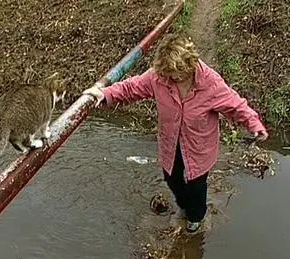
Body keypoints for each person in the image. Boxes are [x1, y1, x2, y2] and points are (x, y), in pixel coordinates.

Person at [82, 34, 268, 233]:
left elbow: (235, 105)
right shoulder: (159, 77)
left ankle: (196, 218)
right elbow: (132, 87)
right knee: (172, 178)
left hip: (199, 147)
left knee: (196, 186)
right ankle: (183, 206)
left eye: (175, 74)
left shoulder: (210, 83)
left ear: (189, 65)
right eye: (168, 73)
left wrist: (254, 124)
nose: (171, 78)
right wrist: (106, 93)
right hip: (171, 143)